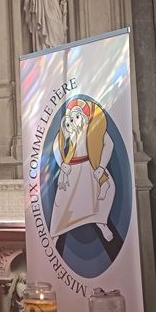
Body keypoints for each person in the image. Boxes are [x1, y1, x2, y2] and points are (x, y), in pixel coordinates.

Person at [50, 98, 116, 243]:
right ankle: (55, 236)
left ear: (85, 118)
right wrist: (62, 164)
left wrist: (101, 167)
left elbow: (109, 145)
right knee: (61, 203)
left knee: (106, 192)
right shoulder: (69, 128)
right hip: (72, 169)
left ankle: (101, 223)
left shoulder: (95, 129)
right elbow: (56, 144)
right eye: (72, 116)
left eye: (77, 116)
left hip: (91, 165)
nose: (74, 119)